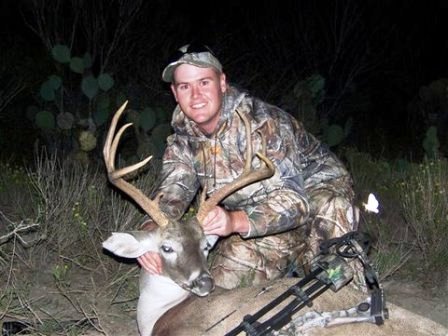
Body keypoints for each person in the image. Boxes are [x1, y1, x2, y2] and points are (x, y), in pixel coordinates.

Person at [137, 43, 365, 291]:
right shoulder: (183, 140)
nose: (195, 95)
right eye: (185, 86)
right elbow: (170, 197)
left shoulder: (264, 123)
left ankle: (348, 290)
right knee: (222, 291)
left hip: (319, 211)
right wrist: (150, 235)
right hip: (262, 224)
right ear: (174, 92)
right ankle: (293, 270)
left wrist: (234, 222)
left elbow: (295, 202)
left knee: (333, 281)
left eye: (204, 82)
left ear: (222, 82)